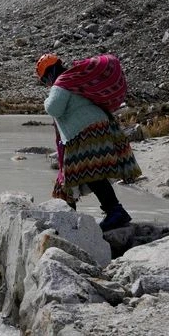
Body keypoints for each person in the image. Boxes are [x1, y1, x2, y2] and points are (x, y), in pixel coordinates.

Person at [36, 53, 142, 231]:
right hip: (95, 129)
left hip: (86, 132)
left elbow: (54, 108)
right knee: (77, 175)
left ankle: (113, 212)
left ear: (49, 73)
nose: (47, 84)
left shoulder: (61, 83)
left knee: (90, 172)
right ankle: (71, 218)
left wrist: (46, 100)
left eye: (45, 80)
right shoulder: (73, 79)